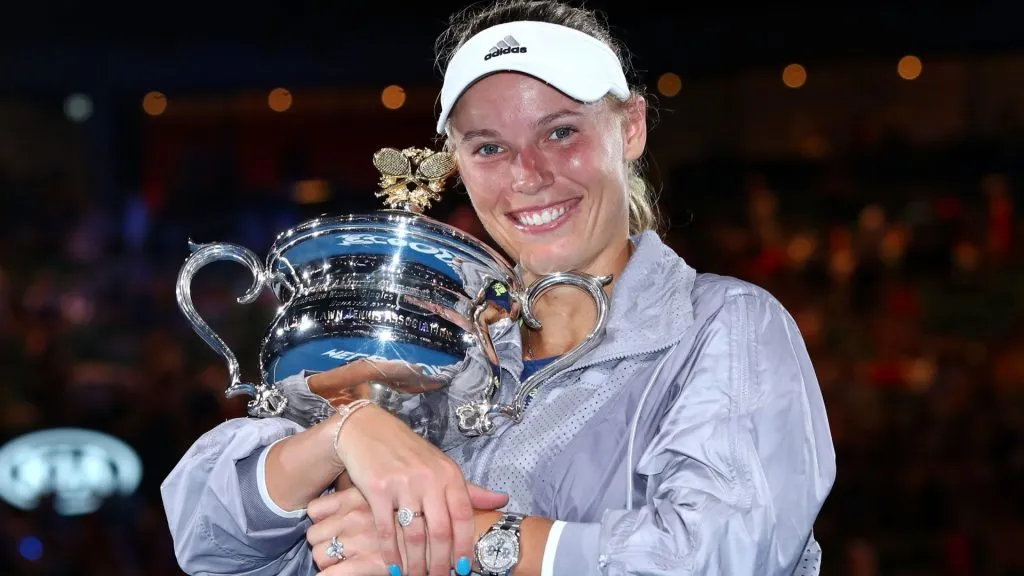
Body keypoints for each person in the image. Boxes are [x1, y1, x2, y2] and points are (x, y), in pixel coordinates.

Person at [161, 1, 837, 574]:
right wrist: (346, 434)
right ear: (458, 162)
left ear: (630, 128)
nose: (527, 174)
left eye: (561, 132)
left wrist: (457, 540)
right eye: (488, 147)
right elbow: (205, 535)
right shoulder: (435, 346)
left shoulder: (724, 326)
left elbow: (724, 550)